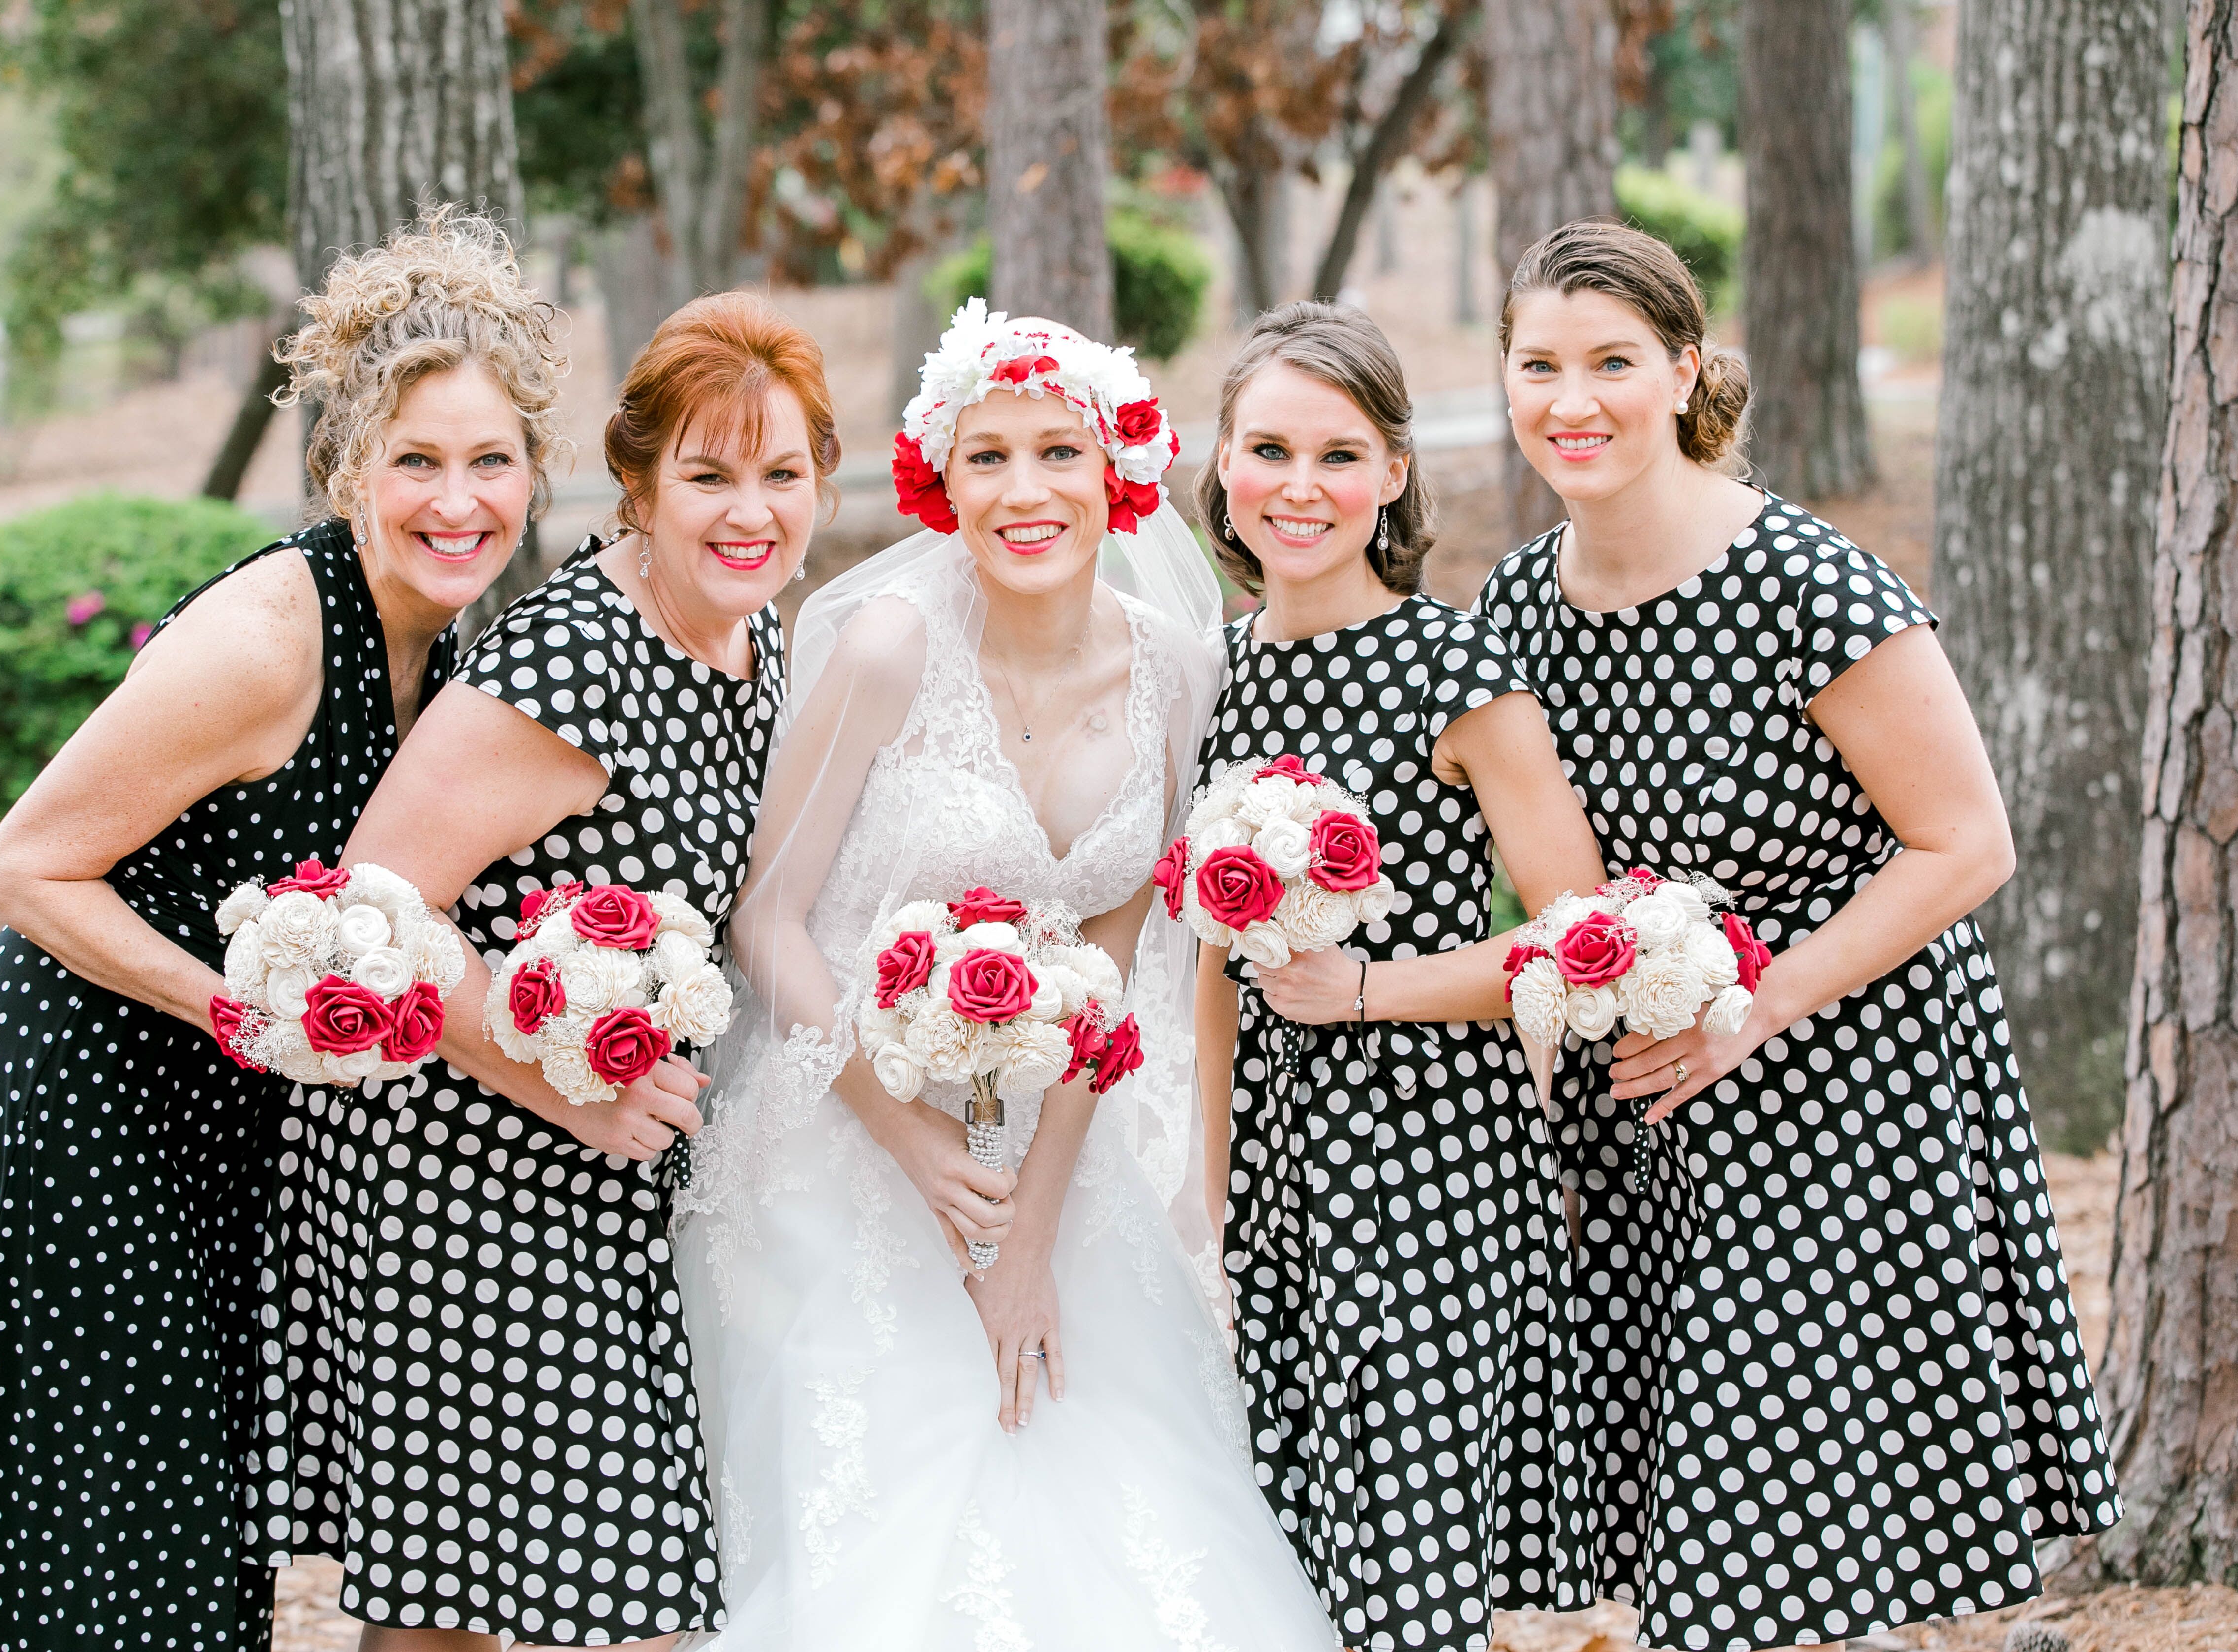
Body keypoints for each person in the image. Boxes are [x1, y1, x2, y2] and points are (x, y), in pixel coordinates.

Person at [0, 205, 556, 1652]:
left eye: (491, 461)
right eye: (416, 462)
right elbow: (22, 869)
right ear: (350, 469)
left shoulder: (451, 646)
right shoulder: (277, 634)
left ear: (537, 469)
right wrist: (237, 1009)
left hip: (210, 1128)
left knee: (170, 1537)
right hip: (71, 1102)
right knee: (90, 1535)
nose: (456, 500)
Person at [1475, 219, 2120, 1652]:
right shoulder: (1515, 608)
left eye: (1611, 363)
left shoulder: (1809, 589)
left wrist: (1756, 1012)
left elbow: (1969, 844)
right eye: (1538, 366)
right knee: (1700, 1556)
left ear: (1686, 369)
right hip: (1644, 1120)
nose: (1570, 401)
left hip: (1841, 1097)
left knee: (1797, 1550)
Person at [671, 301, 1339, 1648]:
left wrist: (1029, 1229)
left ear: (1119, 473)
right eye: (988, 458)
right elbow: (772, 921)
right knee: (907, 1506)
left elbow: (1116, 951)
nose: (1025, 493)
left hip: (1055, 1154)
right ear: (940, 479)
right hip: (854, 1142)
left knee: (1109, 1487)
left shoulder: (1178, 672)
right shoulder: (884, 652)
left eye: (1058, 453)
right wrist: (915, 1148)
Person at [253, 291, 836, 1651]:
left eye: (783, 474)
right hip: (459, 1177)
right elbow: (367, 907)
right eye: (708, 476)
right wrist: (553, 1083)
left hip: (611, 1184)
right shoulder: (574, 657)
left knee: (557, 1583)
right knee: (510, 1601)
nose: (750, 512)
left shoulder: (756, 649)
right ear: (637, 486)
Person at [1190, 300, 1608, 1652]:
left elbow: (1582, 939)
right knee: (1281, 1544)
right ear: (1223, 466)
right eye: (1269, 450)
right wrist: (1210, 1190)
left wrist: (1375, 991)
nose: (1299, 488)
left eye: (1338, 453)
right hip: (1273, 1173)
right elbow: (1214, 971)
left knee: (1405, 1566)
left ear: (1393, 473)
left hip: (1436, 1172)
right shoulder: (1218, 678)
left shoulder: (1459, 674)